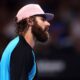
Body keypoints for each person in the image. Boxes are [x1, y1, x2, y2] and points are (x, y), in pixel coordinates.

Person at [0, 4, 54, 80]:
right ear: (30, 21)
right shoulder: (21, 50)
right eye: (43, 19)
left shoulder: (20, 47)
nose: (48, 23)